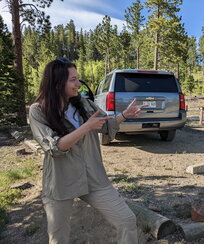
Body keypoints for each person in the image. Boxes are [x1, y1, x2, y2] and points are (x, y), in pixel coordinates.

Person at [29, 58, 146, 244]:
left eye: (78, 78)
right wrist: (86, 127)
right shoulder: (38, 110)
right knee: (58, 237)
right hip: (61, 181)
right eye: (73, 80)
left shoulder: (83, 103)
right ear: (57, 83)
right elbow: (55, 147)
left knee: (127, 219)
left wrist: (124, 116)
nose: (78, 84)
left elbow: (105, 125)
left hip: (93, 176)